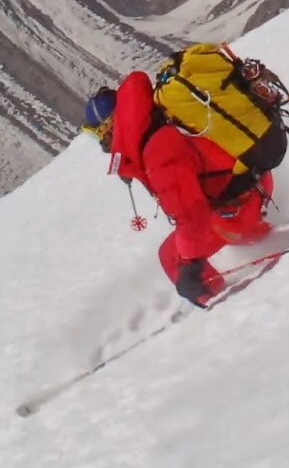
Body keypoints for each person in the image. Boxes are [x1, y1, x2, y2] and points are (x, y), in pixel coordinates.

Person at [84, 69, 277, 307]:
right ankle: (269, 235)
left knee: (172, 257)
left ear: (111, 126)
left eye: (98, 135)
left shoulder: (156, 147)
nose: (103, 145)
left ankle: (220, 306)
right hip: (250, 184)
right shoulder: (157, 118)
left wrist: (190, 265)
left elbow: (191, 214)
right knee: (211, 233)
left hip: (237, 205)